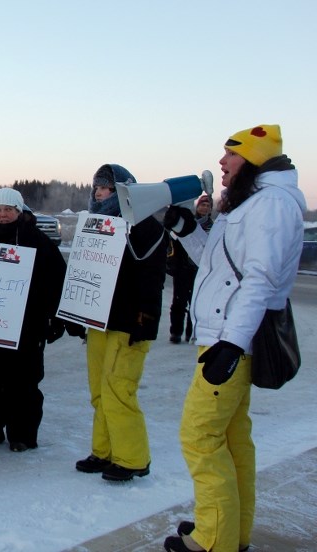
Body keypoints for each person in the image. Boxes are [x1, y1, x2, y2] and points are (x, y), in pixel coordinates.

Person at [162, 125, 304, 552]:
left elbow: (259, 279)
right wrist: (189, 231)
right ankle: (230, 531)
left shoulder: (272, 204)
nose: (222, 163)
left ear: (255, 160)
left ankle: (214, 540)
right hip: (224, 333)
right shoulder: (251, 202)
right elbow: (216, 266)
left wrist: (232, 343)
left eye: (231, 155)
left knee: (200, 436)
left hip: (231, 336)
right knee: (231, 438)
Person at [75, 164, 168, 481]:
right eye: (97, 188)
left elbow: (152, 279)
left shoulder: (144, 227)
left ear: (125, 191)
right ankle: (104, 452)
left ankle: (132, 458)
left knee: (119, 390)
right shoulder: (96, 226)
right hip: (99, 320)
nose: (99, 193)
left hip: (130, 323)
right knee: (99, 392)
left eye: (107, 188)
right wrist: (77, 312)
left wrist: (145, 320)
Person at [0, 188, 68, 452]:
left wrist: (56, 318)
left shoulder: (38, 241)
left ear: (19, 211)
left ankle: (22, 434)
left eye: (8, 210)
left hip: (26, 326)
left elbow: (58, 281)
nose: (3, 215)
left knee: (22, 383)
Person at [167, 194, 213, 344]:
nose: (204, 208)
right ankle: (176, 331)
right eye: (202, 205)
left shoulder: (213, 226)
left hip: (200, 270)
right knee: (179, 301)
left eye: (208, 206)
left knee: (196, 302)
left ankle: (191, 331)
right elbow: (173, 239)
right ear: (197, 206)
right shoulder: (187, 221)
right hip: (182, 267)